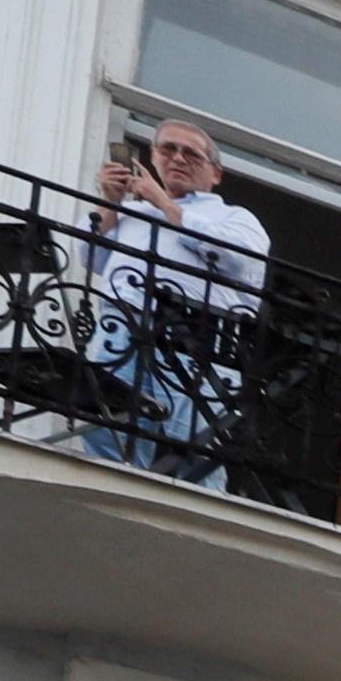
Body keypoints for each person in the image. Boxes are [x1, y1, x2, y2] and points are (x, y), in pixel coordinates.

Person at [84, 120, 270, 481]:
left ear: (215, 173)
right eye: (168, 149)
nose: (178, 158)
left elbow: (240, 258)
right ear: (153, 157)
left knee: (197, 445)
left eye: (191, 154)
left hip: (197, 339)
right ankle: (119, 494)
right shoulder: (129, 212)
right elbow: (89, 257)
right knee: (104, 423)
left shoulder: (234, 217)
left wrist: (163, 202)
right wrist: (110, 202)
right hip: (119, 326)